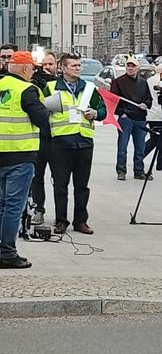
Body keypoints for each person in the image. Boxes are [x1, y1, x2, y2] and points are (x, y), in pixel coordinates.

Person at [44, 53, 107, 235]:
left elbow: (102, 111)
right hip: (60, 142)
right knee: (60, 185)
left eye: (79, 65)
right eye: (73, 66)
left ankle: (81, 221)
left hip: (83, 142)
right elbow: (42, 112)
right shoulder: (51, 87)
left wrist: (95, 113)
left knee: (82, 186)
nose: (78, 68)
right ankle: (61, 220)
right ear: (63, 68)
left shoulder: (88, 88)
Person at [0, 52, 50, 268]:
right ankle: (8, 252)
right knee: (14, 206)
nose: (33, 72)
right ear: (23, 68)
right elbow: (41, 118)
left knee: (2, 205)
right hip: (20, 155)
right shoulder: (27, 90)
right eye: (31, 68)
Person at [111, 56, 152, 180]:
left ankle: (139, 171)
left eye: (133, 66)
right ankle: (121, 171)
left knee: (140, 147)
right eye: (128, 66)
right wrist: (121, 113)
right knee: (122, 146)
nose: (130, 68)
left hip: (140, 118)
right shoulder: (118, 82)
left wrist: (146, 104)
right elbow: (113, 100)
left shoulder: (143, 82)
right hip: (126, 119)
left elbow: (149, 98)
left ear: (138, 68)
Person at [29, 50, 57, 226]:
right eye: (44, 64)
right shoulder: (32, 84)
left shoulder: (61, 84)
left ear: (57, 65)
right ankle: (39, 208)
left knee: (59, 178)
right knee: (37, 176)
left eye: (50, 64)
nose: (47, 67)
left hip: (56, 138)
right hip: (38, 137)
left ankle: (61, 215)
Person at [145, 64, 162, 171]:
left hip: (151, 114)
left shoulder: (149, 80)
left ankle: (160, 162)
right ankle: (160, 162)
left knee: (155, 138)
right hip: (160, 114)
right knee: (161, 140)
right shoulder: (160, 82)